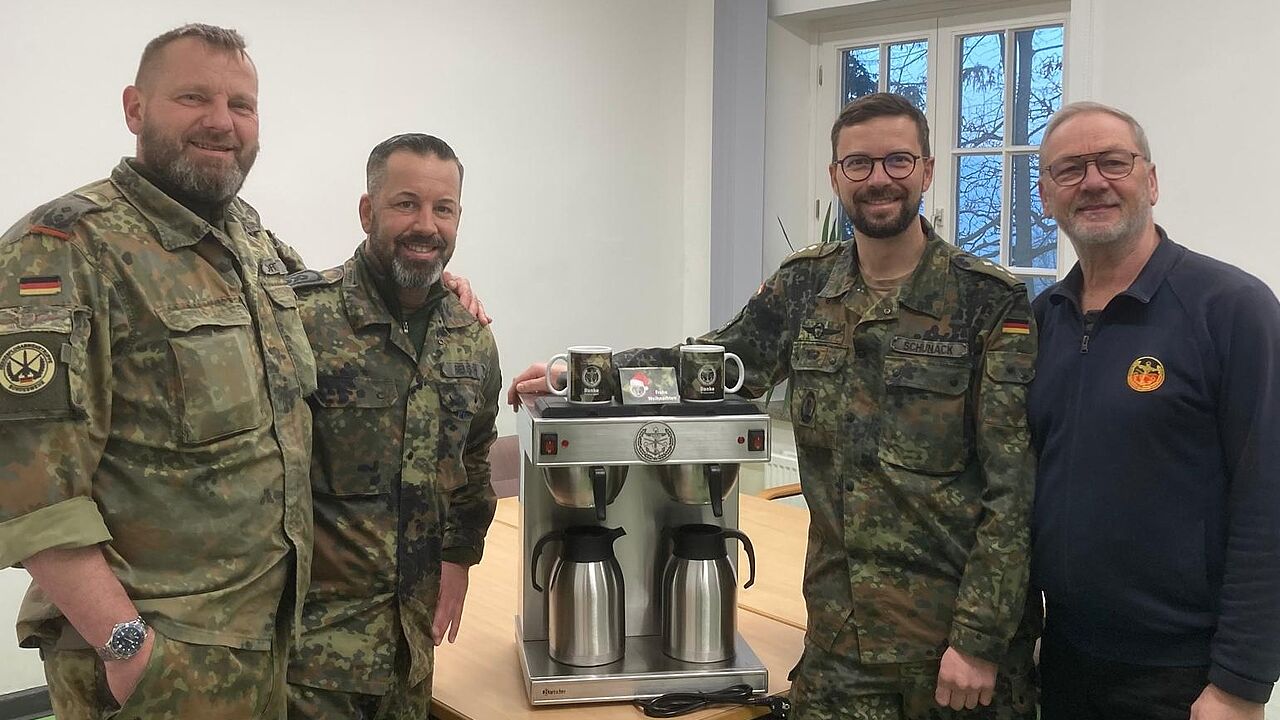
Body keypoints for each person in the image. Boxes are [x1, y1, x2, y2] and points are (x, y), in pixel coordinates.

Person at [507, 92, 1039, 719]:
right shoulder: (806, 286)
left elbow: (1014, 490)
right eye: (859, 164)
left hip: (952, 648)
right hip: (841, 641)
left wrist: (978, 640)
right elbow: (709, 363)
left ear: (926, 170)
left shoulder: (988, 302)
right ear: (836, 177)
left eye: (897, 161)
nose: (879, 180)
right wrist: (582, 376)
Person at [0, 24, 316, 718]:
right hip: (161, 667)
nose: (221, 122)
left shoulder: (247, 239)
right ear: (135, 109)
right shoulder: (61, 252)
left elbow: (329, 311)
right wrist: (130, 651)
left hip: (264, 645)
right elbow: (30, 490)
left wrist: (437, 293)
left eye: (242, 105)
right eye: (193, 97)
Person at [1030, 101, 1280, 720]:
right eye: (1069, 169)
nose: (1093, 181)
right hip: (1062, 658)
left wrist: (1240, 683)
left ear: (1152, 180)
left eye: (1113, 162)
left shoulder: (1232, 309)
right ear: (1046, 194)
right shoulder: (1043, 322)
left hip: (1185, 676)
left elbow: (1268, 499)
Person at [284, 134, 500, 720]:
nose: (426, 225)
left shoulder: (471, 337)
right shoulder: (302, 321)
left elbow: (475, 458)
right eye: (406, 204)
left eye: (443, 208)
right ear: (367, 212)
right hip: (308, 660)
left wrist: (458, 559)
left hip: (413, 648)